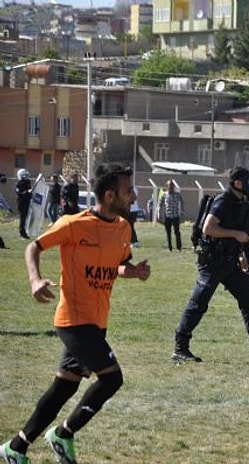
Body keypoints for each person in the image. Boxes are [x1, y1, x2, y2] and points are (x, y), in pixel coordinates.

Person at [0, 164, 151, 464]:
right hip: (73, 319)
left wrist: (133, 272)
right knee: (112, 379)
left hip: (98, 321)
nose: (134, 196)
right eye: (128, 191)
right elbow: (34, 247)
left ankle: (15, 447)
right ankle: (64, 434)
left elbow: (119, 264)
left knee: (64, 386)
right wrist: (34, 280)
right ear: (109, 195)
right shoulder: (73, 224)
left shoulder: (122, 227)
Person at [172, 167, 249, 363]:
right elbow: (209, 228)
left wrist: (240, 253)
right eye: (248, 182)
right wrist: (235, 235)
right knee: (199, 303)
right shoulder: (223, 200)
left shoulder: (239, 202)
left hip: (230, 261)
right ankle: (180, 348)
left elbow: (237, 230)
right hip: (212, 262)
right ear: (237, 183)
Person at [158, 179, 184, 252]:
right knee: (168, 232)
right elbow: (160, 204)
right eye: (169, 186)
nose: (171, 187)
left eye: (172, 186)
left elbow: (181, 202)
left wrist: (181, 211)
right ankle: (170, 247)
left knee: (177, 232)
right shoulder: (164, 195)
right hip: (167, 216)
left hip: (175, 216)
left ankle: (179, 247)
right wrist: (159, 213)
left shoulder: (177, 194)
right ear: (167, 187)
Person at [14, 168, 32, 239]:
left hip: (27, 202)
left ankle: (24, 232)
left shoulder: (28, 182)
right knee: (22, 218)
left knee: (25, 218)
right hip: (21, 202)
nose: (26, 176)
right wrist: (27, 192)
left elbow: (29, 192)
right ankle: (22, 233)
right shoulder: (19, 183)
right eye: (24, 175)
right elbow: (19, 192)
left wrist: (30, 193)